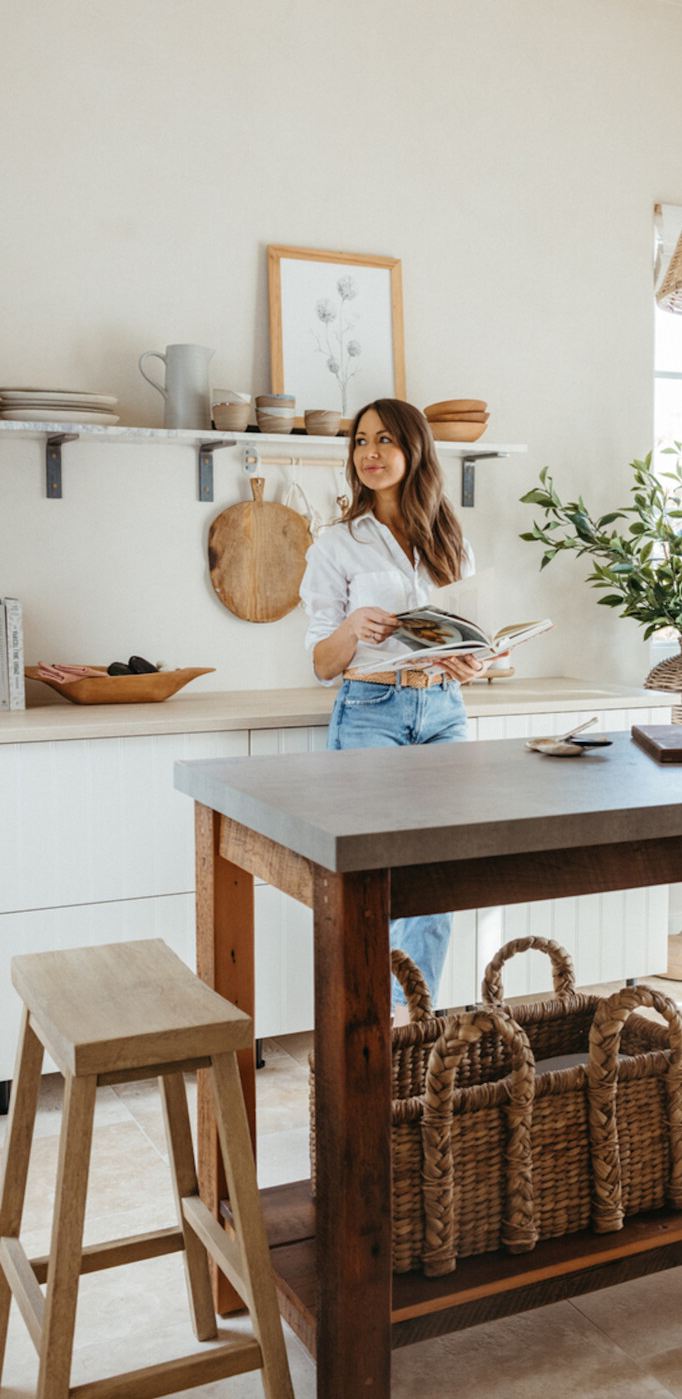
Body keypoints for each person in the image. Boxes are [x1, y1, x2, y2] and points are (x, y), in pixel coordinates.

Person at [299, 398, 483, 1014]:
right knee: (372, 883)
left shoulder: (449, 538)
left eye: (384, 441)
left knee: (440, 875)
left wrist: (474, 660)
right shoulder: (335, 543)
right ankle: (366, 1024)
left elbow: (470, 640)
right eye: (359, 441)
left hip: (445, 710)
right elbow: (323, 663)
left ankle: (413, 1026)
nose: (370, 454)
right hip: (370, 711)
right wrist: (352, 625)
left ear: (415, 449)